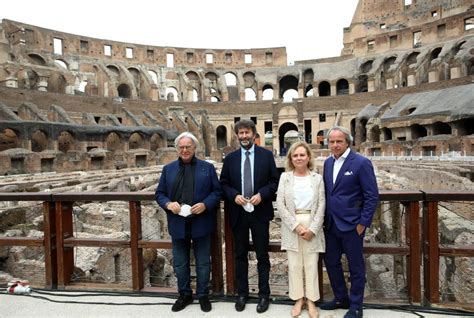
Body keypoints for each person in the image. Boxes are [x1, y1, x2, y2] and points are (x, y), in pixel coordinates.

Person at [155, 132, 221, 313]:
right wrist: (168, 204)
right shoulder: (168, 169)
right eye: (181, 147)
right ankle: (184, 294)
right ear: (177, 149)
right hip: (178, 223)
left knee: (203, 262)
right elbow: (159, 194)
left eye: (188, 147)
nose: (184, 150)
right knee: (180, 263)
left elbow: (217, 192)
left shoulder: (207, 168)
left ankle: (203, 294)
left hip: (201, 221)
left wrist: (205, 205)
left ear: (194, 148)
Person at [220, 119, 279, 313]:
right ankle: (242, 293)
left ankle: (264, 295)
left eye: (247, 132)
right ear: (237, 136)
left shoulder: (266, 156)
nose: (244, 136)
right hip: (238, 213)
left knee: (262, 255)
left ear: (254, 134)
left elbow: (273, 182)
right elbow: (224, 184)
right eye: (241, 133)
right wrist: (234, 196)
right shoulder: (230, 159)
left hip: (260, 212)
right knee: (240, 255)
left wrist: (261, 195)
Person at [319, 126, 379, 318]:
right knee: (332, 263)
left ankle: (355, 306)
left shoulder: (361, 163)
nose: (335, 145)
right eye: (332, 141)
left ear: (347, 142)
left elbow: (371, 196)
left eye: (339, 141)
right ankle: (340, 298)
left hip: (352, 225)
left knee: (355, 266)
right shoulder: (328, 163)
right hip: (331, 224)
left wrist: (363, 223)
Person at [276, 141, 325, 318]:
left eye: (302, 155)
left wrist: (312, 228)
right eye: (295, 155)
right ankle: (298, 299)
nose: (299, 158)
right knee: (295, 264)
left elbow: (321, 205)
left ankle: (311, 301)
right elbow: (280, 204)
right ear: (291, 158)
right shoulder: (285, 177)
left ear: (308, 157)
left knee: (311, 264)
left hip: (312, 224)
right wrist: (296, 226)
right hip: (292, 225)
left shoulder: (317, 179)